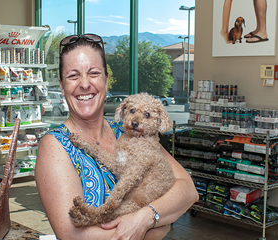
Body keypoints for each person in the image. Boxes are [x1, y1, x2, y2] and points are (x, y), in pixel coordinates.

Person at [35, 34, 199, 240]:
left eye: (93, 73)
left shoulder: (129, 130)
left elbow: (188, 190)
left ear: (106, 80)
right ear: (61, 85)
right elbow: (72, 235)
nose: (84, 84)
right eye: (73, 76)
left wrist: (145, 218)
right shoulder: (56, 145)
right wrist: (155, 229)